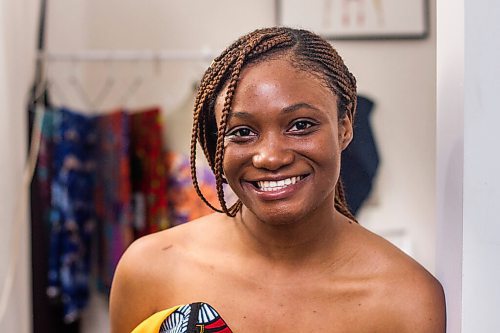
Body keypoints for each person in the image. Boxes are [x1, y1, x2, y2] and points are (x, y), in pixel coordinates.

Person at [109, 27, 446, 333]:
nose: (270, 157)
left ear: (345, 127)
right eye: (242, 132)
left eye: (301, 125)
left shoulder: (409, 300)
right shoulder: (150, 269)